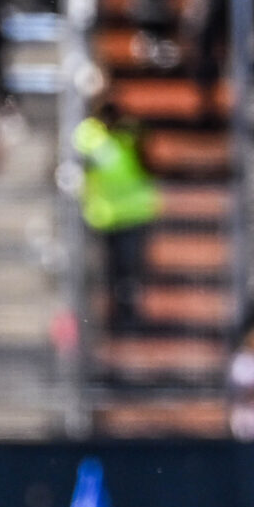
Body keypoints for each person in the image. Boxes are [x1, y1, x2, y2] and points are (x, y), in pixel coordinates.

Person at [73, 96, 159, 331]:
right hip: (102, 215)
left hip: (133, 213)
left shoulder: (131, 133)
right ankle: (101, 319)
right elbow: (80, 165)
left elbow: (148, 164)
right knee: (104, 270)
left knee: (129, 270)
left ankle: (128, 315)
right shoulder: (88, 136)